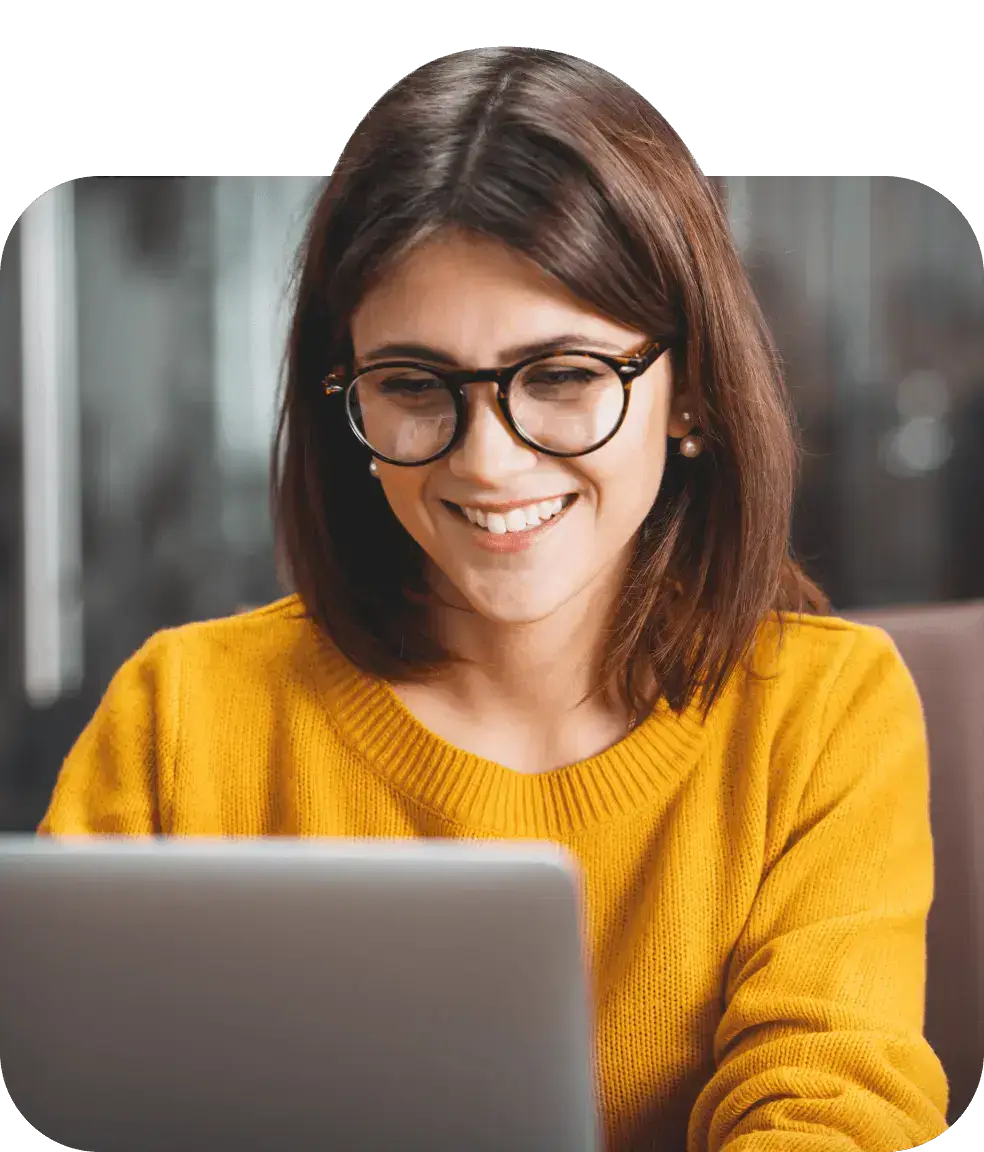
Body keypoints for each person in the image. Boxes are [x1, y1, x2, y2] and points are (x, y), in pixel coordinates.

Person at [38, 48, 949, 1151]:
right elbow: (64, 1089)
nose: (489, 463)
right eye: (415, 387)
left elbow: (832, 1105)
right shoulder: (182, 715)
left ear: (691, 393)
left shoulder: (822, 713)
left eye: (562, 378)